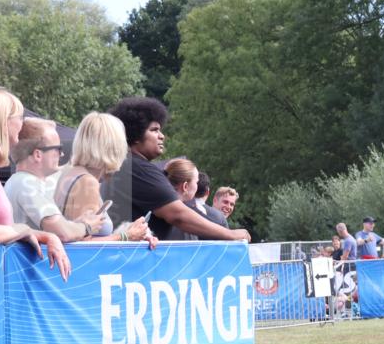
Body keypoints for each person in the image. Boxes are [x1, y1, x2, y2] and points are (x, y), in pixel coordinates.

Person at [106, 98, 249, 242]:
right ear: (135, 135)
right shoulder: (138, 168)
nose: (162, 136)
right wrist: (231, 234)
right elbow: (178, 215)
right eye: (154, 130)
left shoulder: (119, 166)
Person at [0, 86, 70, 279]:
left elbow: (1, 231)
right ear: (2, 122)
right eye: (19, 118)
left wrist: (45, 236)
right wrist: (25, 230)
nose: (23, 124)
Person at [54, 112, 155, 246]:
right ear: (114, 147)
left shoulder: (70, 172)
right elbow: (82, 244)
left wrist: (130, 233)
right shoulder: (86, 181)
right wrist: (126, 236)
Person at [5, 118, 105, 241]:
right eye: (58, 149)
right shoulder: (27, 184)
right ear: (38, 155)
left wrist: (76, 225)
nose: (62, 154)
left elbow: (60, 229)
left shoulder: (19, 182)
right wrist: (86, 226)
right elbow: (62, 233)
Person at [163, 158, 200, 240]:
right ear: (185, 186)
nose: (197, 186)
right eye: (196, 182)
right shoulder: (188, 222)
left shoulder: (152, 211)